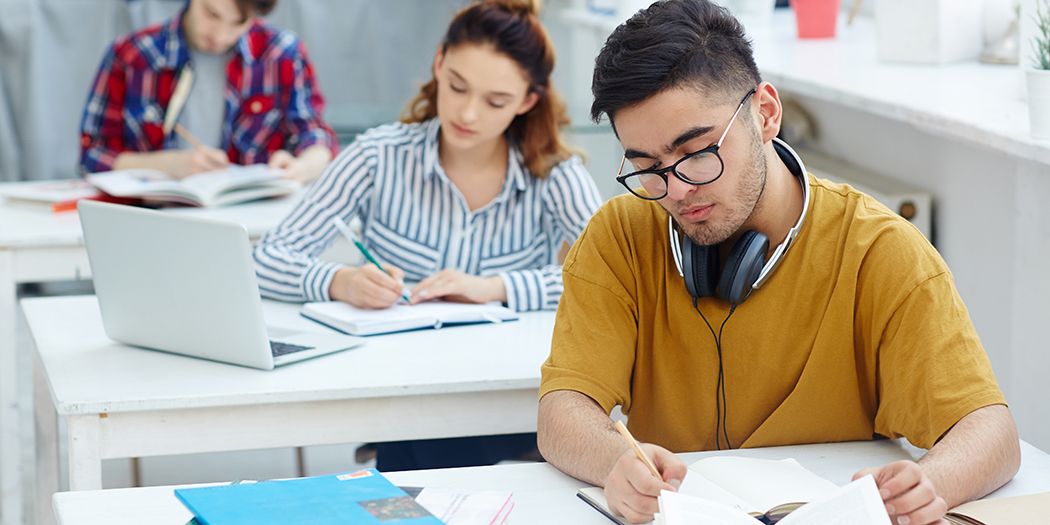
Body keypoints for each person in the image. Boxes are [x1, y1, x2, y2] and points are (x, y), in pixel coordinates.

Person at [536, 1, 1020, 524]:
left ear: (765, 114)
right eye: (647, 168)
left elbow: (991, 433)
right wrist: (615, 463)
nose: (675, 190)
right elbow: (561, 411)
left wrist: (927, 486)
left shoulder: (880, 252)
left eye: (698, 152)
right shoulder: (619, 236)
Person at [253, 0, 603, 470]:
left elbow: (611, 279)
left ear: (526, 101)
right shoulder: (378, 156)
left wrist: (494, 289)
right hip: (400, 391)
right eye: (457, 86)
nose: (468, 113)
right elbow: (265, 260)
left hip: (504, 394)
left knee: (428, 455)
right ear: (439, 63)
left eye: (495, 101)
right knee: (427, 450)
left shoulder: (554, 174)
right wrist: (342, 281)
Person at [79, 0, 338, 182]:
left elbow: (317, 138)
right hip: (152, 221)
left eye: (239, 22)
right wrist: (168, 165)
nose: (220, 34)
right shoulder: (132, 55)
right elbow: (93, 154)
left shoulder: (282, 54)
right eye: (211, 14)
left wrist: (300, 168)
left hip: (252, 225)